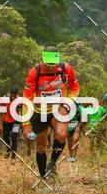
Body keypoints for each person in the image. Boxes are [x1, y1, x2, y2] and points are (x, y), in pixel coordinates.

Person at [21, 48, 80, 179]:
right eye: (47, 64)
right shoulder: (34, 73)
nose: (50, 68)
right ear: (42, 60)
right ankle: (43, 176)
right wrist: (25, 124)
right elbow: (26, 99)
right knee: (41, 145)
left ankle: (52, 163)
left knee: (62, 134)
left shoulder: (66, 69)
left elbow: (75, 89)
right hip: (39, 111)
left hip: (58, 109)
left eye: (53, 64)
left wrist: (66, 105)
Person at [0, 87, 21, 159]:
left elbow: (23, 111)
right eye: (12, 95)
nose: (13, 97)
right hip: (6, 120)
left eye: (15, 95)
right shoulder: (4, 99)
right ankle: (8, 150)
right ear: (9, 93)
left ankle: (13, 155)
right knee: (5, 137)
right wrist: (0, 124)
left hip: (16, 121)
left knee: (14, 137)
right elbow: (0, 112)